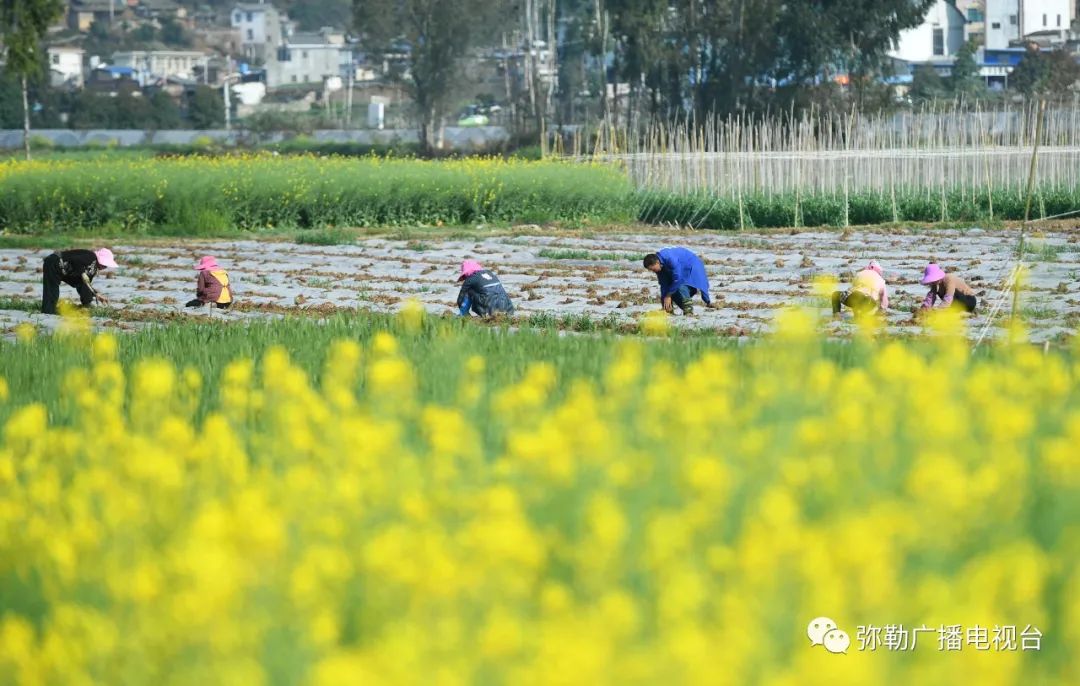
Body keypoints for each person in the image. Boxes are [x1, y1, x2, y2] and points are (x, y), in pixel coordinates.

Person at [41, 248, 116, 315]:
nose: (105, 267)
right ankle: (48, 312)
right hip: (54, 262)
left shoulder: (93, 269)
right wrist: (82, 273)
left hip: (64, 270)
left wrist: (96, 294)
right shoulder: (91, 256)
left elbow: (87, 284)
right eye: (104, 264)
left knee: (82, 284)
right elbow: (75, 261)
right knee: (52, 288)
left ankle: (87, 305)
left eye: (106, 265)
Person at [643, 247, 714, 315]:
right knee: (670, 289)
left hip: (691, 264)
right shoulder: (660, 268)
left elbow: (678, 279)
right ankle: (672, 309)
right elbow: (664, 285)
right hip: (678, 268)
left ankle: (689, 311)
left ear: (657, 262)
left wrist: (668, 295)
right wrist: (664, 303)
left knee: (680, 286)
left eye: (653, 269)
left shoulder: (670, 259)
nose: (653, 271)